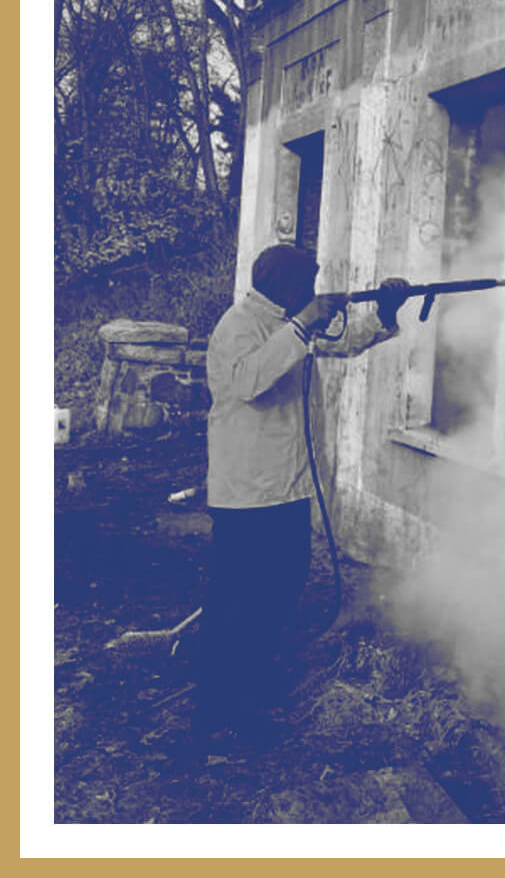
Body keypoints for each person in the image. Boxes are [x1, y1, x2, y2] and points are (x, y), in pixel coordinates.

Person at [193, 243, 409, 746]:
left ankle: (252, 687)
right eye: (306, 284)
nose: (312, 292)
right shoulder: (239, 324)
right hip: (246, 495)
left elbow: (343, 343)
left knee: (279, 594)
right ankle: (216, 707)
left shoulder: (291, 321)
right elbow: (249, 382)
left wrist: (385, 313)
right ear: (285, 285)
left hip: (287, 490)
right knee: (236, 603)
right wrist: (303, 322)